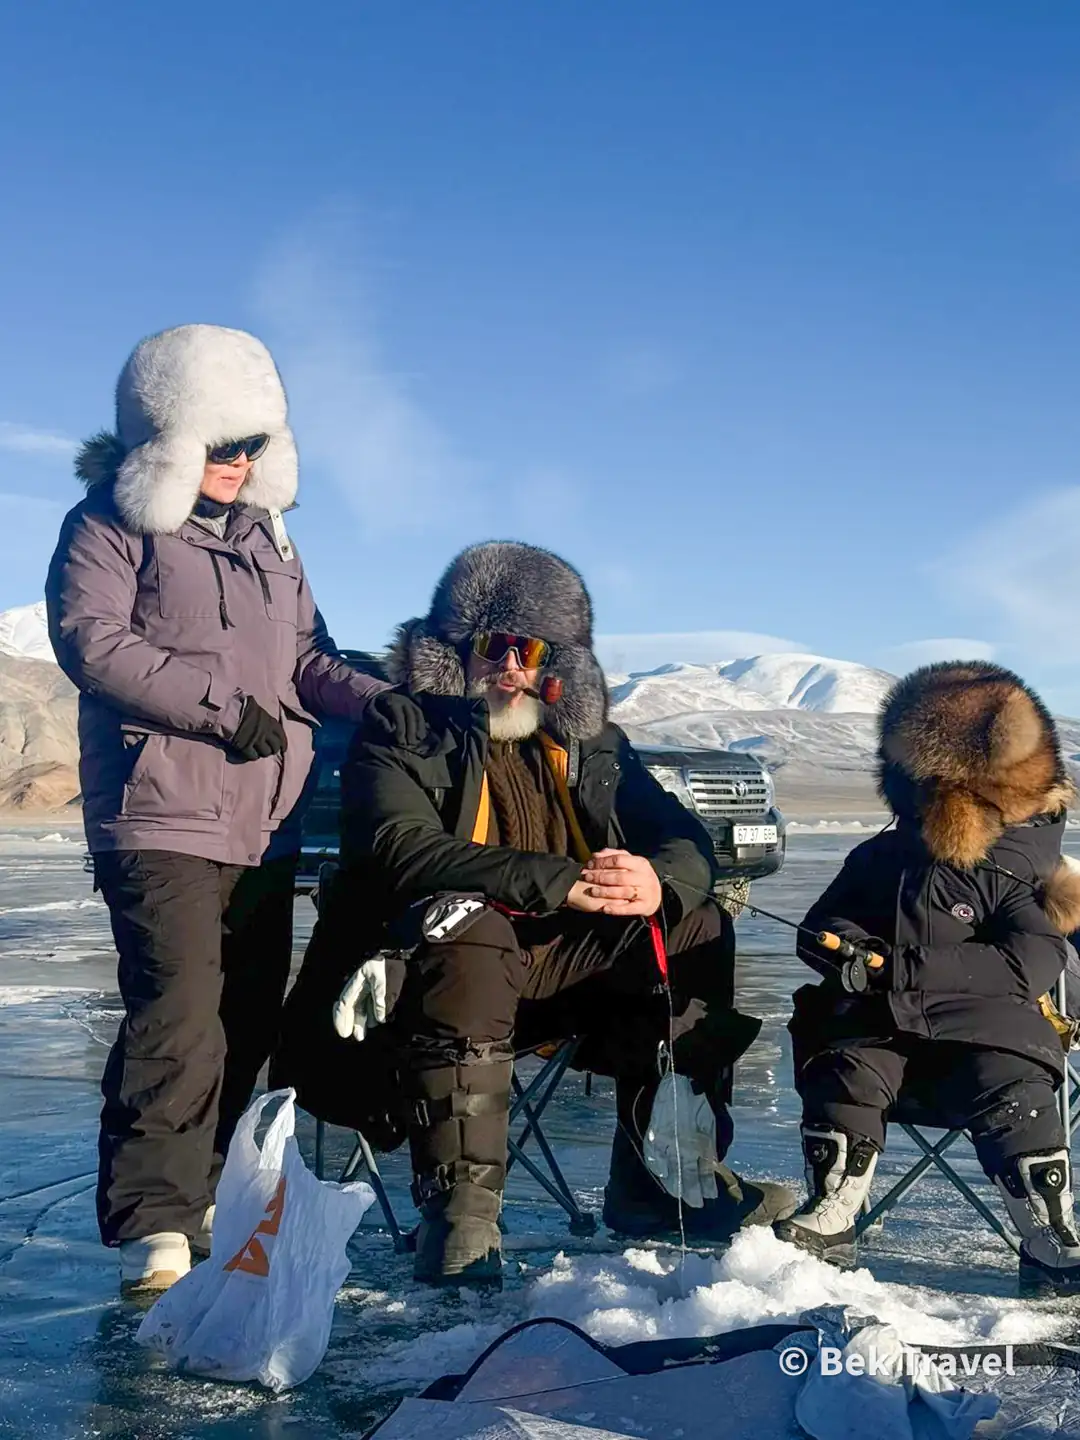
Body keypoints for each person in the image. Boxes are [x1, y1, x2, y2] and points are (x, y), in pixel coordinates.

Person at [274, 541, 795, 1288]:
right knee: (471, 927)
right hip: (423, 974)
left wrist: (659, 881)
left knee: (696, 923)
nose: (512, 666)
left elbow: (682, 836)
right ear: (456, 652)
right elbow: (399, 847)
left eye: (533, 649)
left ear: (560, 662)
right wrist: (561, 882)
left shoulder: (594, 744)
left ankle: (663, 1181)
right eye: (494, 645)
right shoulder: (403, 728)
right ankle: (460, 1215)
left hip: (561, 976)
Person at [45, 324, 387, 1296]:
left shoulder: (271, 540)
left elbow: (308, 659)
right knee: (180, 1014)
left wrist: (387, 701)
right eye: (219, 442)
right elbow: (91, 640)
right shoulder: (110, 523)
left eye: (252, 443)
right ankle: (155, 1225)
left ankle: (207, 1196)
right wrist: (220, 708)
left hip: (264, 821)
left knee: (246, 1015)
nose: (237, 461)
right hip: (161, 811)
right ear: (170, 436)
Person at [776, 661, 1080, 1292]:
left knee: (1014, 1086)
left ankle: (1049, 1232)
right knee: (845, 1070)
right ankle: (833, 1210)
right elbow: (819, 925)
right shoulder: (877, 857)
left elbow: (1030, 961)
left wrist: (900, 967)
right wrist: (849, 952)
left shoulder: (1020, 871)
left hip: (990, 1030)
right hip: (875, 1023)